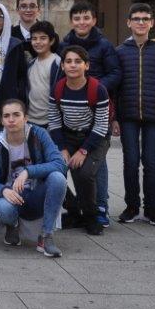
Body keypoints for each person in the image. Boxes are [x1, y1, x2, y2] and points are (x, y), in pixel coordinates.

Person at [114, 3, 155, 226]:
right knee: (130, 162)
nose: (141, 22)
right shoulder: (120, 52)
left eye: (145, 19)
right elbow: (115, 87)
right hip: (128, 116)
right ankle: (131, 206)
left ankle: (151, 208)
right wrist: (114, 118)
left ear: (152, 23)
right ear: (128, 22)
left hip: (154, 116)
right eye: (137, 18)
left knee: (151, 162)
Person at [0, 99, 68, 257]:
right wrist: (3, 190)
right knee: (2, 207)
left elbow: (60, 164)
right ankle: (12, 225)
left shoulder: (39, 135)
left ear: (25, 118)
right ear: (2, 120)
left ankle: (46, 236)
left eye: (16, 114)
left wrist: (29, 171)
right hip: (13, 196)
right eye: (6, 116)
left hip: (37, 193)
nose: (11, 119)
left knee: (58, 178)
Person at [62, 1, 121, 227]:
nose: (82, 22)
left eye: (86, 18)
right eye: (77, 18)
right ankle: (80, 208)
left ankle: (101, 207)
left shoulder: (105, 46)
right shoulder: (65, 44)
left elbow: (116, 73)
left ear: (94, 20)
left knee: (97, 163)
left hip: (97, 107)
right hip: (71, 111)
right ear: (71, 22)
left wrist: (92, 89)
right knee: (70, 163)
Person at [47, 46, 110, 236]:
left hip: (95, 138)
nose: (73, 65)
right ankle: (74, 211)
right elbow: (54, 120)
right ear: (63, 66)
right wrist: (63, 149)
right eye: (68, 61)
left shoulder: (98, 90)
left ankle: (91, 217)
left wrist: (83, 151)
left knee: (84, 174)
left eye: (77, 61)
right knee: (54, 170)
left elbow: (101, 125)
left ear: (86, 65)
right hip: (67, 137)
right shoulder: (58, 88)